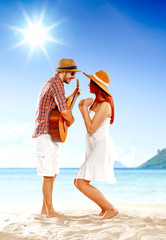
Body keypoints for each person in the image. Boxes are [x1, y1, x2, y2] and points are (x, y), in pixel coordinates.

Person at [33, 58, 81, 218]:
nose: (73, 77)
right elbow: (65, 112)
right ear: (63, 72)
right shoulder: (57, 85)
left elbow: (58, 104)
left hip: (48, 134)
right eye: (72, 73)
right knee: (48, 173)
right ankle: (51, 212)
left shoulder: (53, 83)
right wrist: (72, 120)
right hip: (45, 134)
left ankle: (45, 210)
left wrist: (73, 95)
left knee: (51, 173)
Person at [74, 70, 118, 220]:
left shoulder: (105, 105)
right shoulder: (96, 103)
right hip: (95, 145)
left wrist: (85, 109)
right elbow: (89, 125)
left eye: (91, 82)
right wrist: (82, 109)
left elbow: (91, 128)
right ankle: (104, 208)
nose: (88, 84)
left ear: (96, 85)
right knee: (78, 181)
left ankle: (110, 208)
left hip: (102, 146)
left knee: (80, 182)